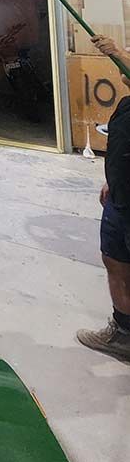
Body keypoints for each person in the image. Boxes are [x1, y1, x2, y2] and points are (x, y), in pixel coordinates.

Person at [76, 35, 130, 361]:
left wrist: (119, 51)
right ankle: (123, 332)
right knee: (114, 260)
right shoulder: (126, 105)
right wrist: (111, 181)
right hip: (118, 199)